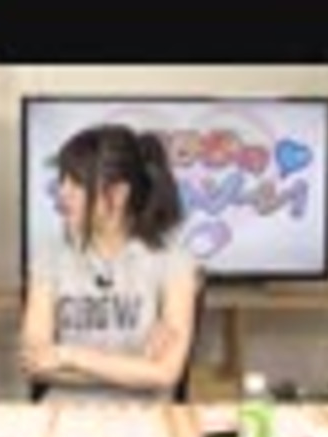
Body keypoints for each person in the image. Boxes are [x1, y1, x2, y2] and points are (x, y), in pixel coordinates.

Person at [20, 124, 200, 402]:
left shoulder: (174, 261)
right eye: (62, 180)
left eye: (76, 183)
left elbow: (166, 373)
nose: (62, 193)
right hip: (62, 413)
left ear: (118, 194)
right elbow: (34, 364)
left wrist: (67, 355)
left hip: (146, 417)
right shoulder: (50, 256)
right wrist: (136, 369)